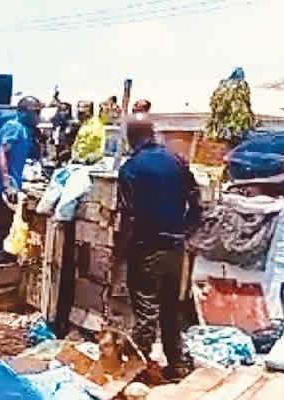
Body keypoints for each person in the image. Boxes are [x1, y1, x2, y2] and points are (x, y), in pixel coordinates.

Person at [117, 115, 201, 382]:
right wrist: (185, 230)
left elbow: (128, 215)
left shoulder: (131, 168)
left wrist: (121, 249)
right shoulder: (177, 160)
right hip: (174, 248)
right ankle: (176, 364)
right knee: (170, 308)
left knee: (146, 310)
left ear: (131, 137)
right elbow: (196, 200)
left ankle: (138, 370)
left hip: (146, 248)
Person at [0, 96, 43, 267]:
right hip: (0, 191)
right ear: (22, 112)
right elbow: (2, 154)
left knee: (4, 239)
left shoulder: (24, 130)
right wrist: (7, 184)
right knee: (3, 240)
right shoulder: (15, 127)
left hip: (4, 190)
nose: (38, 117)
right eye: (35, 112)